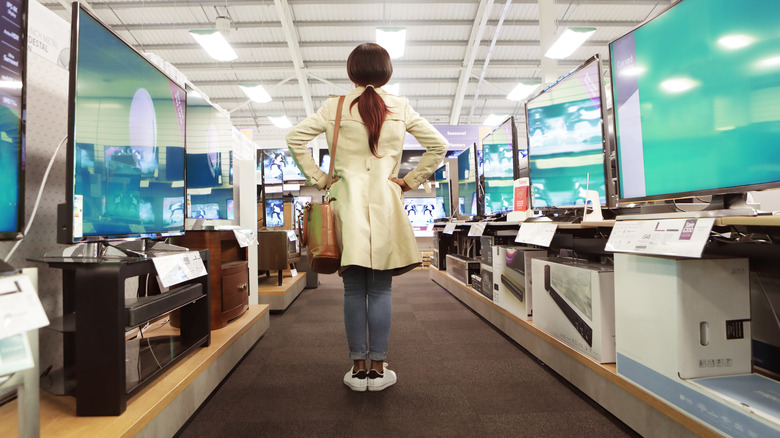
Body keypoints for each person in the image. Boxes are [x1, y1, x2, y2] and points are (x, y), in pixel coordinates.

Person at [286, 43, 448, 392]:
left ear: (352, 72)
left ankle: (357, 368)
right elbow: (439, 146)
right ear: (387, 71)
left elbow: (295, 138)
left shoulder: (335, 106)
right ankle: (378, 367)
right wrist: (408, 181)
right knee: (381, 289)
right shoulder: (400, 106)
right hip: (386, 202)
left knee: (352, 288)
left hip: (346, 202)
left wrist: (321, 178)